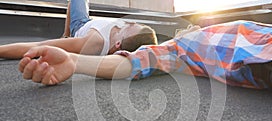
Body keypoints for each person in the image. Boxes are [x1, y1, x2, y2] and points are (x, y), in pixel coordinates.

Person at [18, 20, 272, 105]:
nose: (128, 23)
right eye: (131, 24)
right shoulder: (179, 48)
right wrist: (74, 61)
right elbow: (134, 63)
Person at [0, 0, 157, 59]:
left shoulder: (94, 42)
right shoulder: (124, 36)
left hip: (81, 25)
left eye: (129, 27)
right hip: (91, 23)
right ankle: (65, 35)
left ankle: (66, 35)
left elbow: (37, 47)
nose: (128, 23)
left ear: (117, 45)